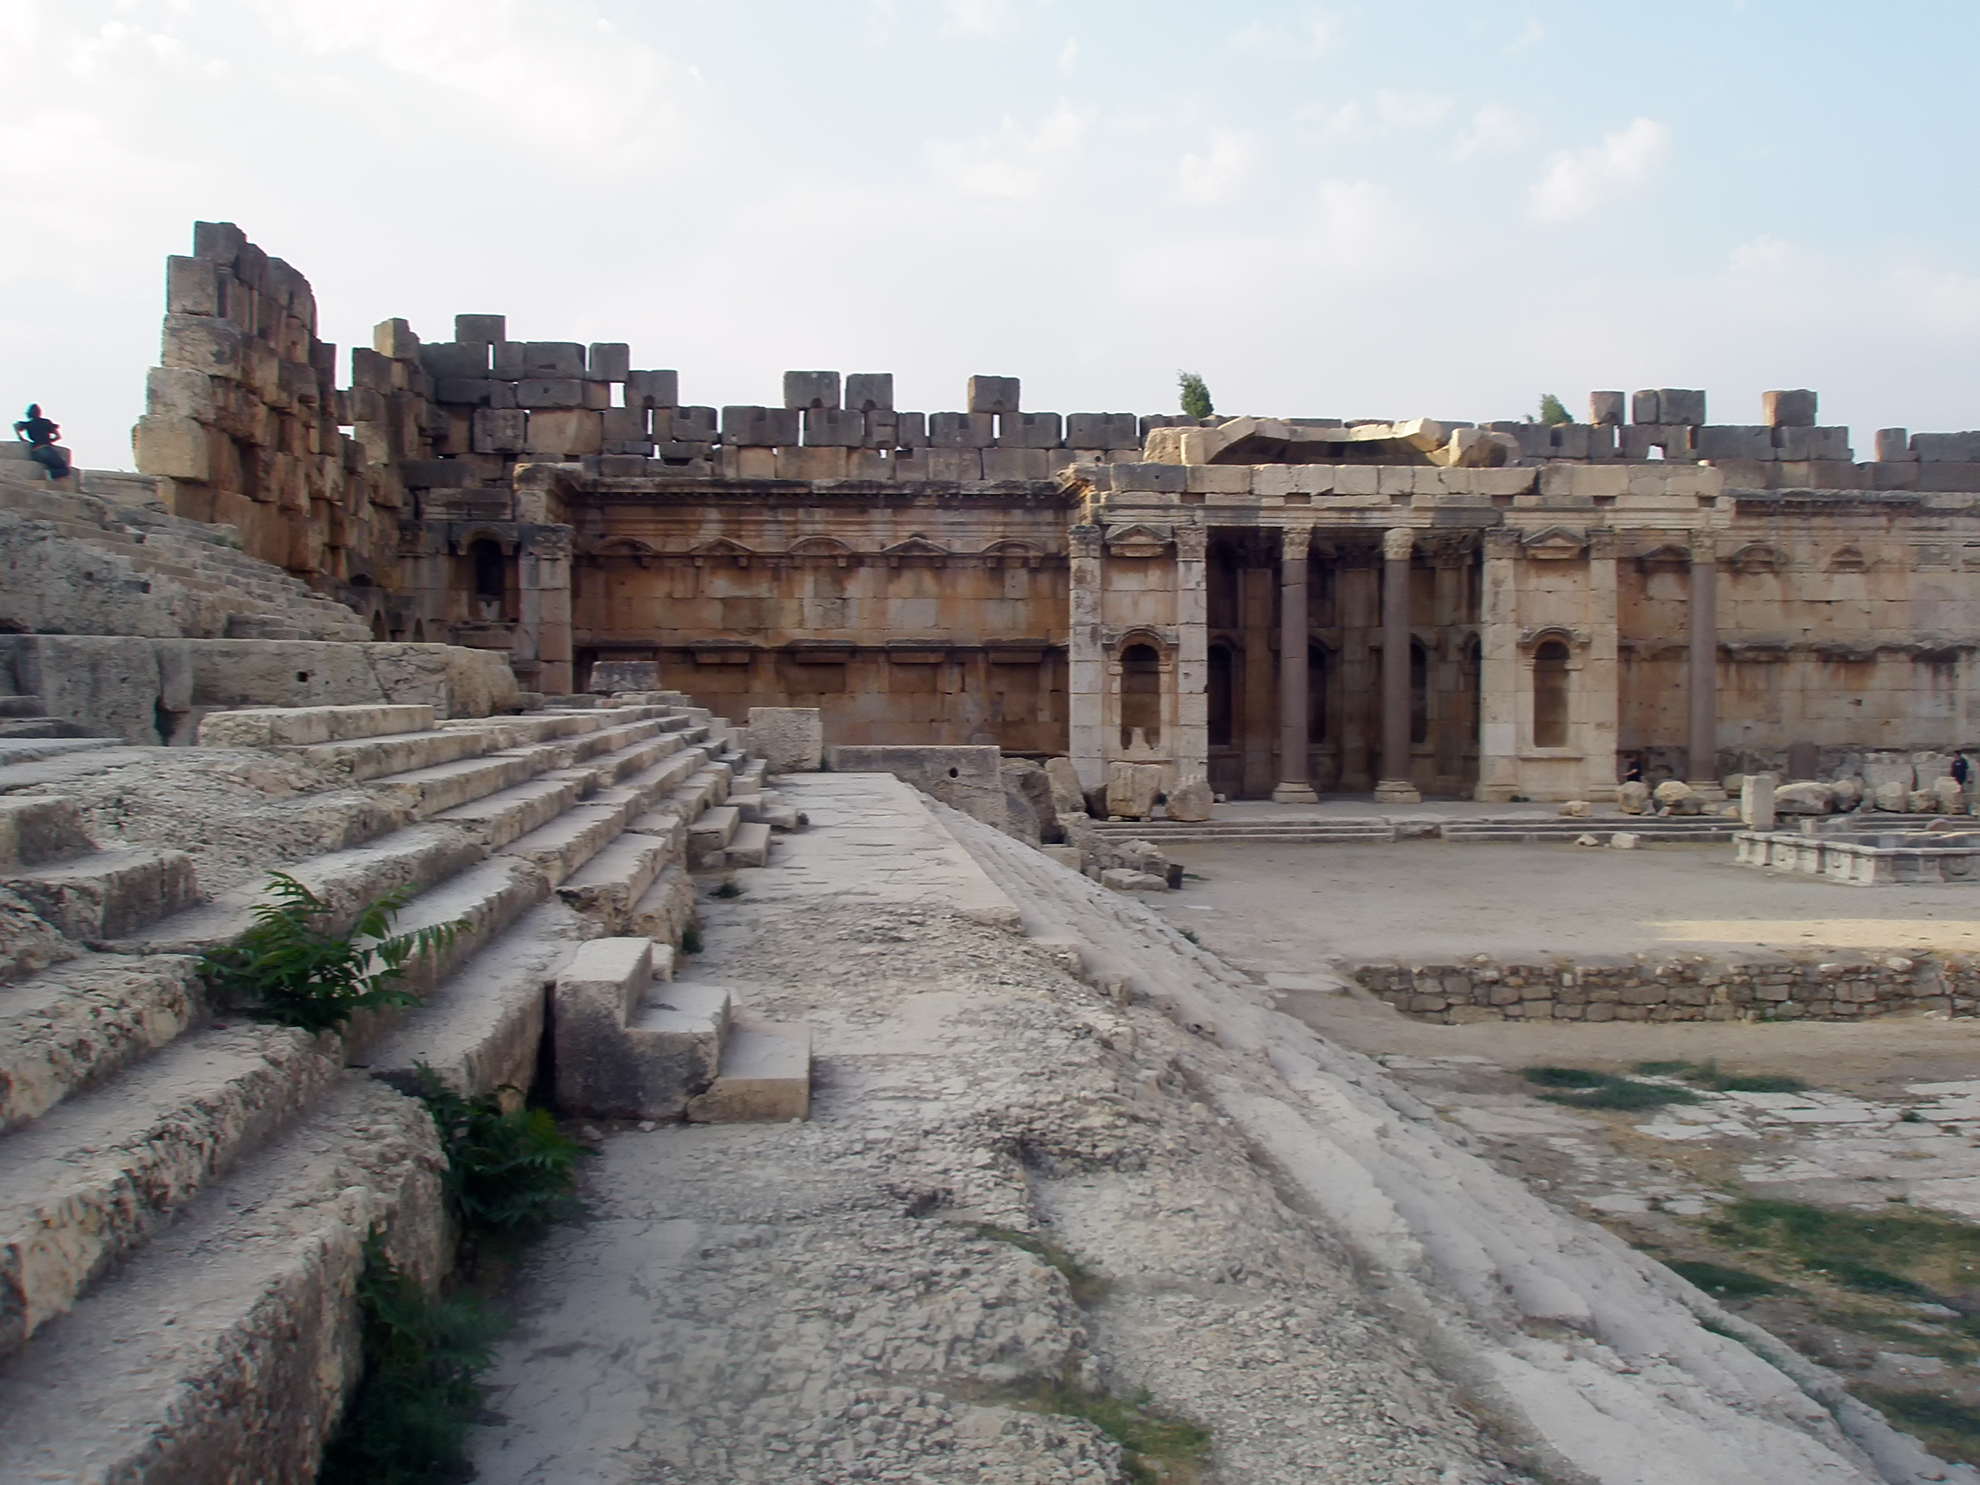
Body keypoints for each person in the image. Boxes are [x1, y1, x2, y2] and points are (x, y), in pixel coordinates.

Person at [13, 404, 71, 480]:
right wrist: (49, 441)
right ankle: (50, 474)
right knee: (65, 470)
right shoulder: (45, 422)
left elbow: (15, 425)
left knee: (52, 463)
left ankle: (50, 474)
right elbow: (58, 436)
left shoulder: (29, 424)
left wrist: (21, 438)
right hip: (46, 449)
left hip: (35, 453)